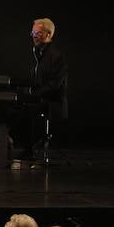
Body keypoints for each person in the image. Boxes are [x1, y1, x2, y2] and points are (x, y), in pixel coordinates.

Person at [12, 17, 68, 159]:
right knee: (14, 105)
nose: (34, 36)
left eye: (38, 33)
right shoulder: (37, 53)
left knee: (26, 109)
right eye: (33, 32)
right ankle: (14, 144)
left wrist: (33, 95)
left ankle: (28, 150)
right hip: (40, 97)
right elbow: (34, 80)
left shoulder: (56, 56)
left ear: (48, 34)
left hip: (53, 101)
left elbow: (55, 85)